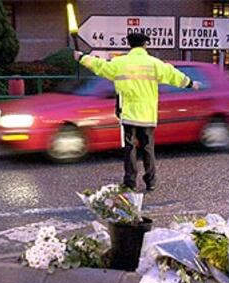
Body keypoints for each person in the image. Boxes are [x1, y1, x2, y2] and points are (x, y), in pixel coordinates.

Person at [74, 33, 201, 191]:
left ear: (129, 44)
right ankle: (151, 181)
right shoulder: (154, 63)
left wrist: (82, 58)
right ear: (145, 44)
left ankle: (130, 182)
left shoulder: (119, 63)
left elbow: (100, 66)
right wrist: (190, 83)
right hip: (147, 114)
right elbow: (173, 75)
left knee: (129, 149)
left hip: (127, 113)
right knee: (148, 148)